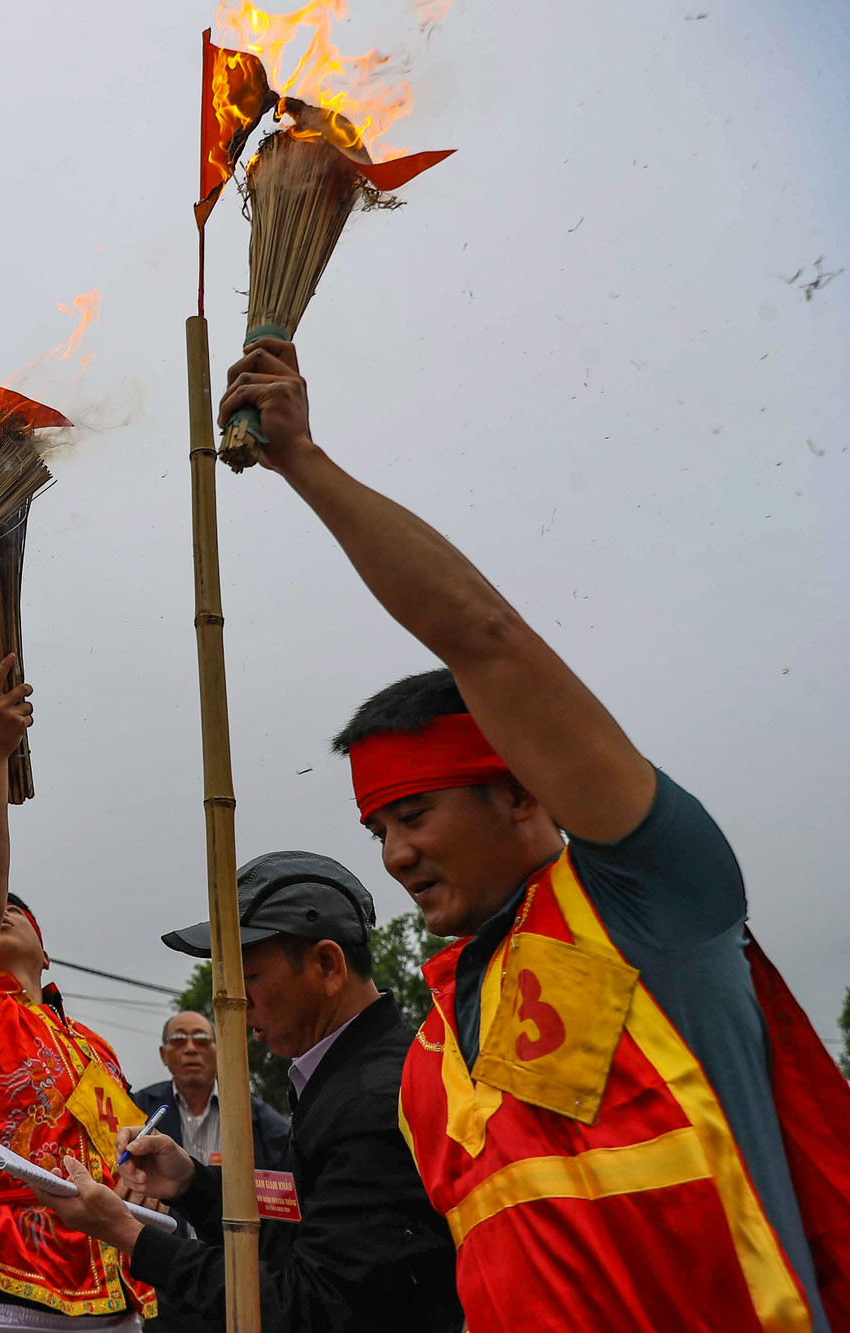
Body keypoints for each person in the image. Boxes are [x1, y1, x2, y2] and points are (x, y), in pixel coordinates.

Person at [222, 335, 850, 1332]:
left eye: (414, 813)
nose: (391, 854)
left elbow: (484, 637)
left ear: (520, 793)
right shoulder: (429, 1046)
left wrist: (301, 460)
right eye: (377, 826)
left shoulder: (647, 902)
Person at [28, 852, 463, 1332]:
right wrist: (193, 1186)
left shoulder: (373, 1100)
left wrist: (129, 1235)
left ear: (327, 965)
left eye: (248, 976)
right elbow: (302, 1239)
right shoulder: (342, 1076)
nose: (234, 1000)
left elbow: (308, 1305)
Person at [0, 661, 154, 1331]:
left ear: (46, 955)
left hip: (114, 1284)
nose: (3, 911)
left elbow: (123, 1155)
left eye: (22, 911)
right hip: (3, 1290)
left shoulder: (92, 1047)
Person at [132, 1011, 289, 1170]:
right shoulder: (137, 1108)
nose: (191, 1049)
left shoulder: (260, 1119)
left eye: (201, 1040)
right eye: (179, 1040)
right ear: (163, 1054)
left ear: (219, 1051)